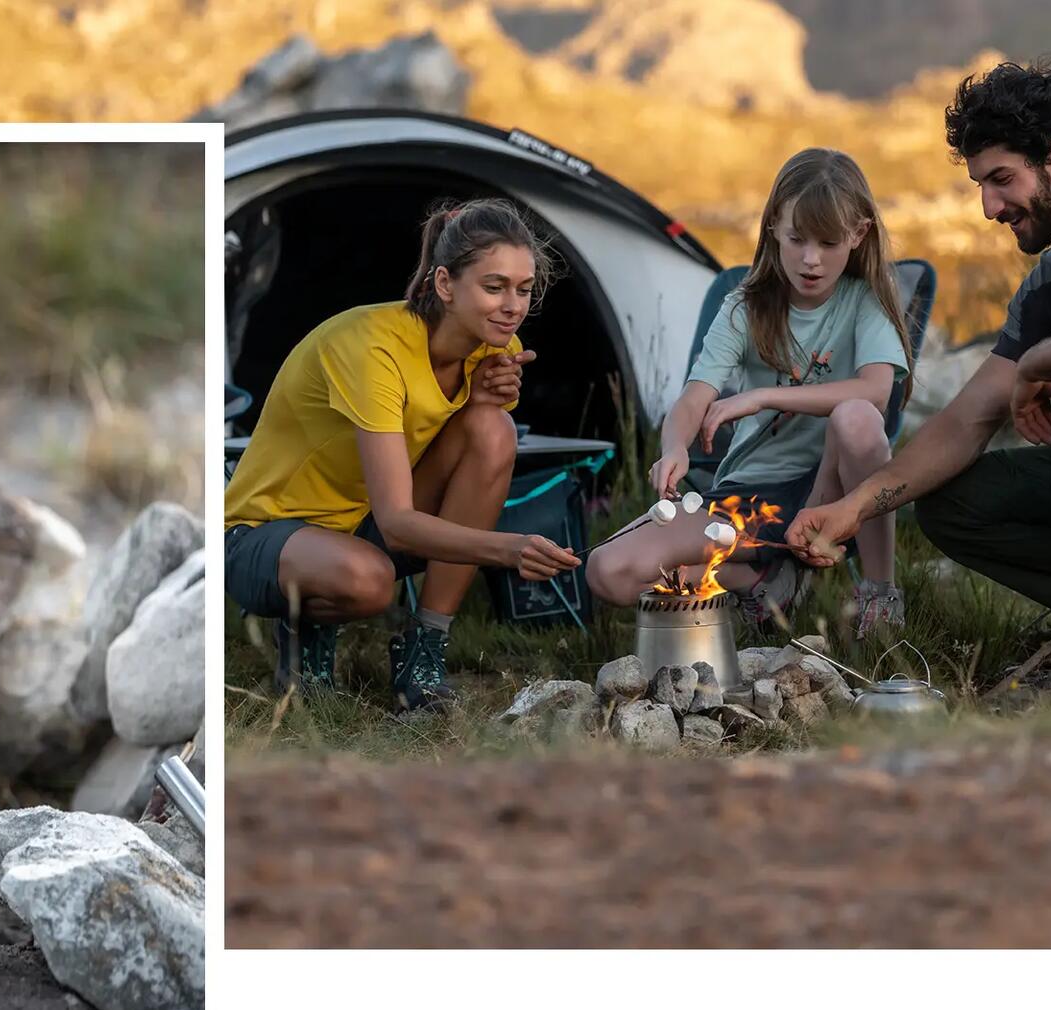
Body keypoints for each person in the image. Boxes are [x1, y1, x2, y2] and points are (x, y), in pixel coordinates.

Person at [787, 60, 1051, 651]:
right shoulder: (1049, 283)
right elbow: (965, 422)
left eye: (1002, 179)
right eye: (981, 187)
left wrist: (1038, 364)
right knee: (951, 502)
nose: (989, 208)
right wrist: (853, 507)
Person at [223, 198, 581, 711]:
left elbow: (462, 441)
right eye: (494, 286)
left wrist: (478, 401)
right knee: (369, 581)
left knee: (493, 429)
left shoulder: (492, 344)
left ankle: (424, 649)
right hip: (262, 534)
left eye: (524, 290)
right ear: (444, 285)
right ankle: (306, 638)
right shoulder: (373, 350)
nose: (513, 306)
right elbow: (397, 524)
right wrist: (507, 549)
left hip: (360, 519)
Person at [585, 148, 913, 637]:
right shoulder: (746, 307)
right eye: (797, 238)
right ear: (773, 227)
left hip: (829, 492)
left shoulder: (864, 302)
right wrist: (675, 445)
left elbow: (875, 393)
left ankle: (879, 593)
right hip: (751, 497)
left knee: (856, 418)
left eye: (828, 242)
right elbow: (695, 397)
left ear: (858, 234)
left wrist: (762, 397)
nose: (810, 259)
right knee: (606, 571)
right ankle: (761, 578)